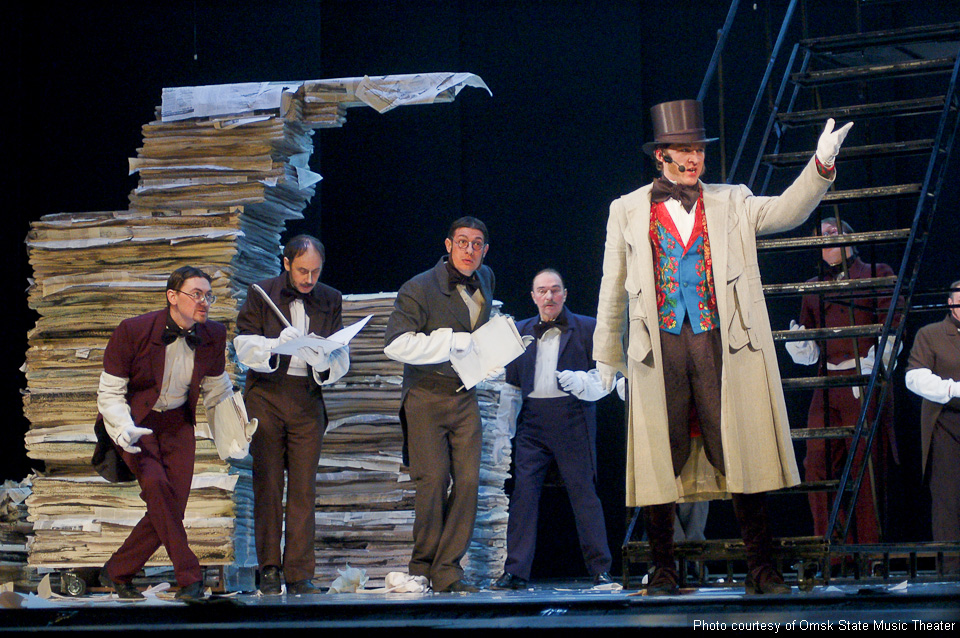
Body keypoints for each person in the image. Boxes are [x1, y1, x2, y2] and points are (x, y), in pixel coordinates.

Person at [593, 98, 852, 595]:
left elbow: (787, 211)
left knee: (737, 448)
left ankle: (762, 568)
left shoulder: (732, 200)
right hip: (659, 345)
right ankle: (663, 570)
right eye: (684, 151)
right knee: (660, 453)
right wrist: (607, 352)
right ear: (661, 156)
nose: (694, 159)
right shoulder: (626, 209)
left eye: (699, 151)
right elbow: (612, 282)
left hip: (719, 341)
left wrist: (820, 164)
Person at [94, 266, 241, 601]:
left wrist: (235, 429)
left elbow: (217, 389)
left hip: (178, 424)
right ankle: (190, 578)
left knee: (170, 506)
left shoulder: (213, 333)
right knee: (158, 488)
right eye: (196, 294)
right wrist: (123, 428)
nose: (204, 302)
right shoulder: (133, 330)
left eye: (208, 295)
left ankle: (116, 571)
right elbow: (110, 392)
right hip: (137, 421)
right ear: (172, 296)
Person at [383, 216, 495, 593]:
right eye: (462, 242)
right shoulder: (418, 287)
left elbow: (480, 332)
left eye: (476, 244)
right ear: (448, 246)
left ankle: (448, 570)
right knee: (432, 480)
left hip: (465, 395)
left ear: (485, 250)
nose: (469, 250)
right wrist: (448, 341)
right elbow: (395, 344)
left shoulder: (486, 279)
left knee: (468, 481)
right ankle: (422, 566)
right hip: (426, 395)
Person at [234, 235, 350, 595]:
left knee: (303, 488)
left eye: (315, 271)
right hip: (267, 396)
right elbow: (242, 345)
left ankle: (299, 573)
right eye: (302, 271)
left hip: (307, 398)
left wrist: (325, 360)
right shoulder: (262, 292)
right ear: (286, 264)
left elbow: (341, 353)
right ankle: (269, 568)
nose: (309, 279)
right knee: (268, 483)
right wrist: (275, 345)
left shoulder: (330, 298)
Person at [491, 269, 614, 590]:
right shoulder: (520, 332)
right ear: (533, 296)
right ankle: (515, 570)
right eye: (542, 291)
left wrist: (583, 382)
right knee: (523, 496)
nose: (549, 296)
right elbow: (511, 387)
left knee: (584, 495)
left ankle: (600, 568)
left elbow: (607, 378)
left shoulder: (587, 328)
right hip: (532, 424)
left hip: (573, 420)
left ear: (565, 294)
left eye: (555, 290)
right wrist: (503, 432)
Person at [786, 218, 901, 547]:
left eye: (832, 232)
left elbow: (893, 324)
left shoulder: (877, 273)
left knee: (866, 465)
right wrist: (801, 344)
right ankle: (833, 550)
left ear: (851, 237)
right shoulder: (813, 287)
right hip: (827, 385)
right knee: (816, 464)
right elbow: (809, 340)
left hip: (862, 380)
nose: (826, 240)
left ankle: (870, 551)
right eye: (820, 237)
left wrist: (877, 364)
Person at [905, 280, 960, 575]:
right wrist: (953, 388)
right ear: (951, 305)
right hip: (946, 425)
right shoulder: (931, 334)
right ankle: (951, 571)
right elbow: (913, 377)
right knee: (948, 500)